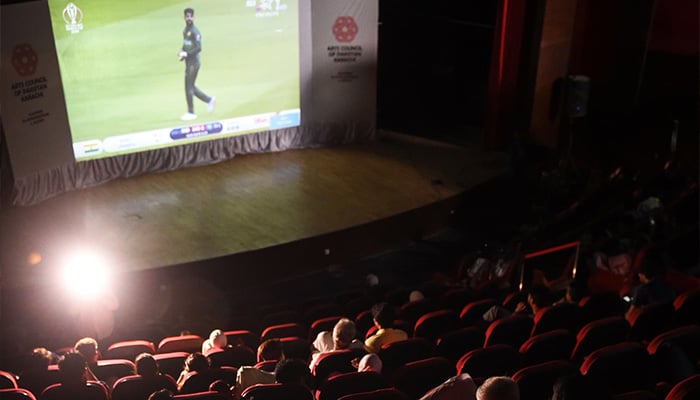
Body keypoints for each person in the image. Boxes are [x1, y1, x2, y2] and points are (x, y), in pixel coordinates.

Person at [178, 7, 215, 121]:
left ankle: (191, 112)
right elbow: (186, 44)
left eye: (190, 16)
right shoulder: (185, 30)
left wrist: (187, 55)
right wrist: (181, 53)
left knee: (188, 86)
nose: (189, 18)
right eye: (187, 16)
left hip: (194, 62)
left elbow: (199, 48)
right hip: (189, 62)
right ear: (184, 17)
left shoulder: (195, 31)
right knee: (190, 87)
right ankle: (209, 100)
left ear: (193, 17)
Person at [625, 251, 676, 320]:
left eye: (639, 274)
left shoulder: (641, 290)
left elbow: (630, 314)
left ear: (643, 274)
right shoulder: (666, 284)